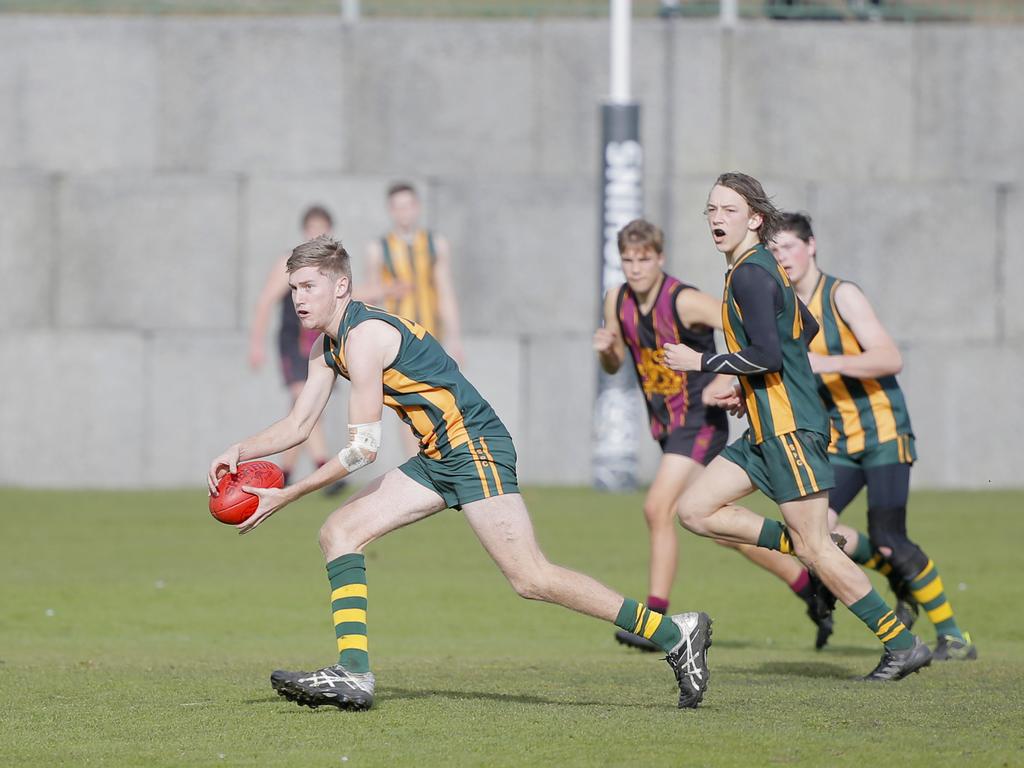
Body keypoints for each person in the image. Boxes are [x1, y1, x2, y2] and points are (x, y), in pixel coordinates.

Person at [208, 234, 714, 711]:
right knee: (339, 531)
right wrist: (239, 447)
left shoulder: (364, 338)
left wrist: (287, 493)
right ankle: (353, 672)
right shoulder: (329, 346)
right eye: (293, 287)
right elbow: (298, 424)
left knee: (531, 577)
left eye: (308, 286)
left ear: (341, 286)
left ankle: (676, 633)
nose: (298, 297)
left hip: (475, 449)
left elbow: (362, 450)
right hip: (437, 456)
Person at [662, 172, 932, 681]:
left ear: (755, 219)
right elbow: (801, 329)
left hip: (789, 431)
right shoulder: (754, 267)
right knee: (695, 510)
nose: (717, 219)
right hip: (766, 429)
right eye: (711, 210)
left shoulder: (749, 273)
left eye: (729, 210)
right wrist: (750, 389)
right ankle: (809, 547)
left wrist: (701, 362)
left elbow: (766, 352)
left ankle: (903, 644)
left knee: (814, 548)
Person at [764, 211, 975, 660]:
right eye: (774, 249)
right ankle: (896, 575)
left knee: (888, 535)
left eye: (788, 246)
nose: (782, 256)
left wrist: (829, 363)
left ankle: (954, 636)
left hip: (883, 433)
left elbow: (889, 357)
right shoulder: (785, 309)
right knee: (814, 530)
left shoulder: (842, 295)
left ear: (812, 246)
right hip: (838, 442)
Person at [593, 219, 731, 651]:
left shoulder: (685, 300)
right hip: (666, 426)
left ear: (660, 258)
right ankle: (808, 582)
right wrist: (609, 352)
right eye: (628, 260)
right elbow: (615, 367)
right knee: (717, 524)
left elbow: (748, 329)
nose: (635, 268)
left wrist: (727, 375)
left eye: (644, 259)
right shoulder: (616, 300)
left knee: (657, 509)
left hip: (701, 419)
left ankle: (653, 620)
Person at [360, 182, 464, 457]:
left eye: (408, 205)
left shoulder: (435, 244)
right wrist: (386, 290)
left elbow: (445, 292)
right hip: (397, 339)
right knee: (408, 406)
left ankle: (440, 459)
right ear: (390, 211)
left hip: (430, 337)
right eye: (398, 207)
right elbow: (369, 297)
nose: (404, 212)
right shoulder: (379, 248)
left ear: (417, 208)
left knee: (439, 401)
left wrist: (454, 338)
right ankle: (418, 463)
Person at [247, 205, 342, 494]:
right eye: (312, 227)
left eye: (322, 228)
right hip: (293, 342)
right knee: (303, 400)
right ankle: (324, 467)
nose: (316, 233)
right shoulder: (289, 261)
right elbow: (265, 301)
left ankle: (284, 473)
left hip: (319, 341)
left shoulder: (332, 266)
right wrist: (256, 344)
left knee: (306, 409)